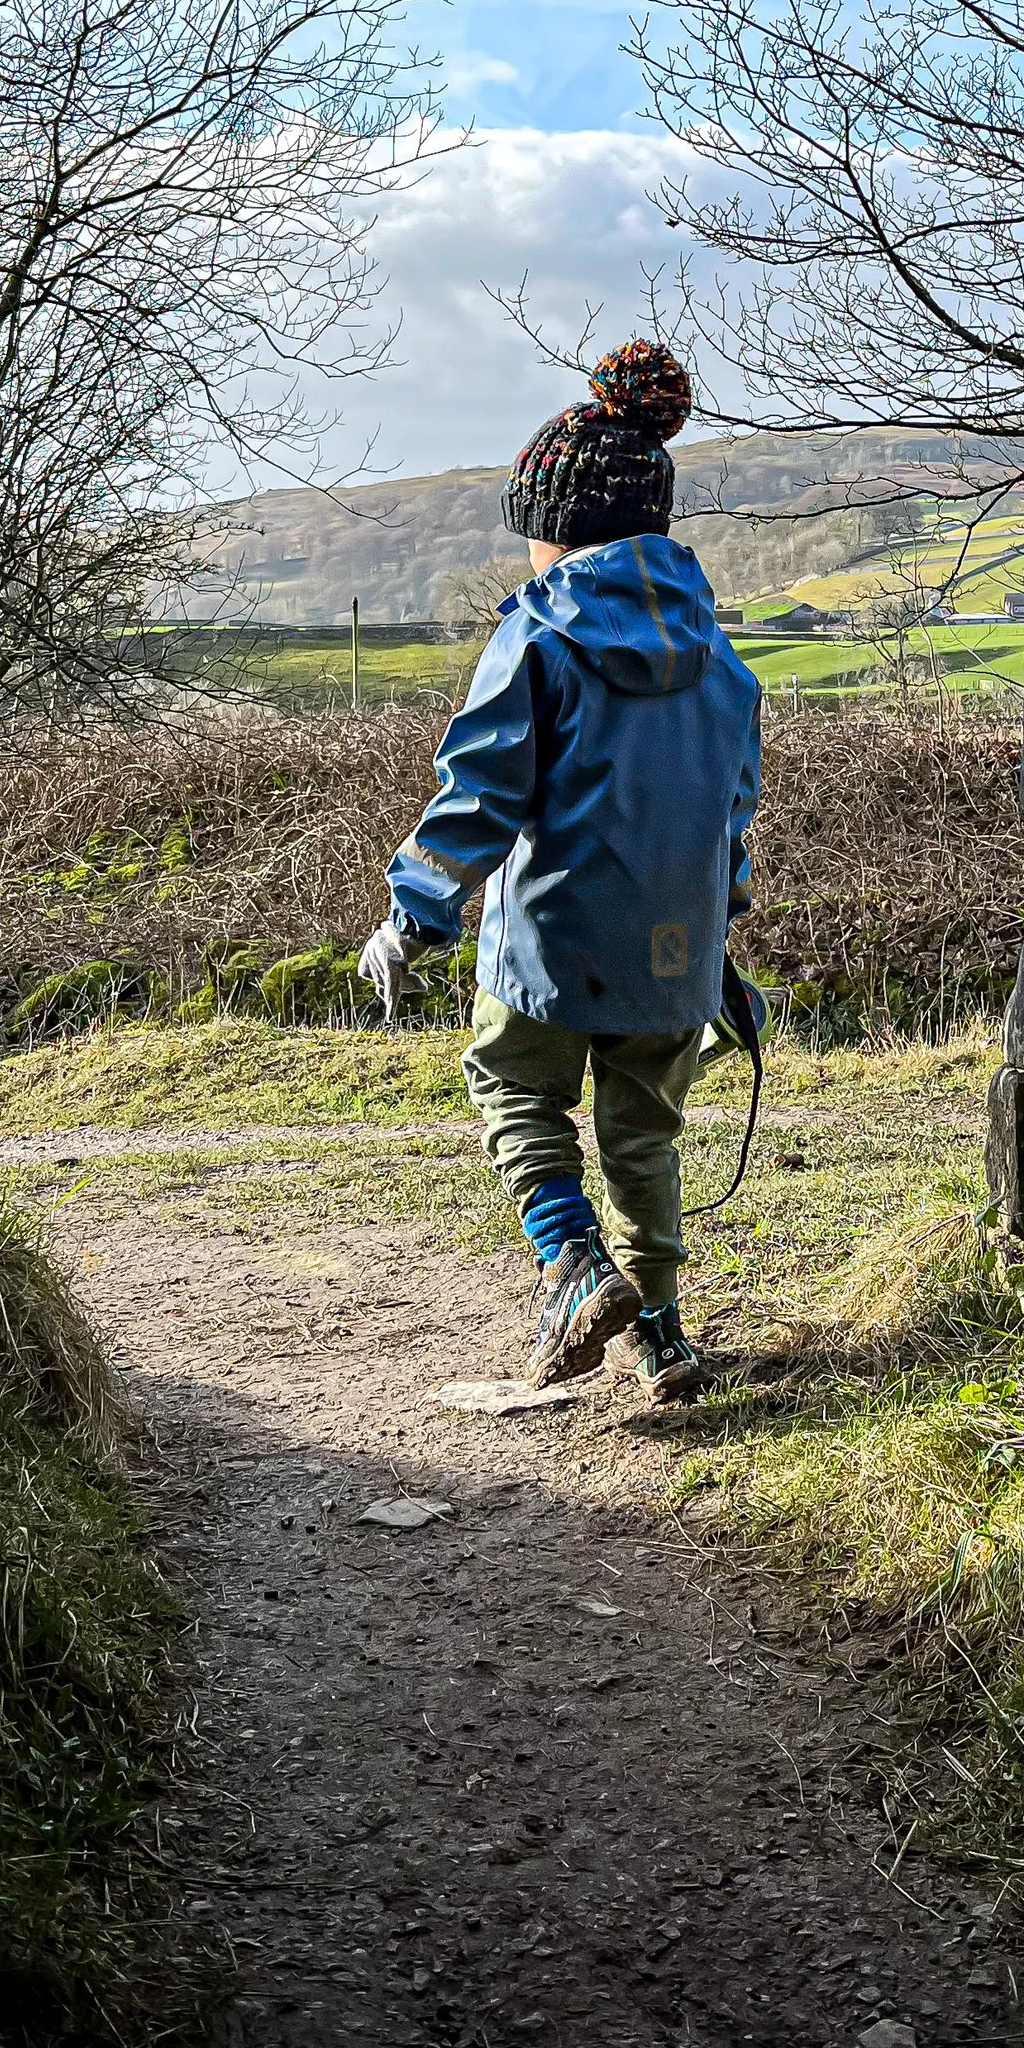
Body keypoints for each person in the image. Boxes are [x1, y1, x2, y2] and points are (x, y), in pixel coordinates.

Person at [359, 342, 762, 1403]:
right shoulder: (722, 660)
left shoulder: (540, 634)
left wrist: (414, 916)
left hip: (549, 937)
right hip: (675, 947)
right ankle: (663, 1336)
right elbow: (729, 818)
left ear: (557, 529)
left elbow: (478, 790)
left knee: (512, 1084)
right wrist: (721, 940)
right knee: (646, 1130)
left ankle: (572, 1266)